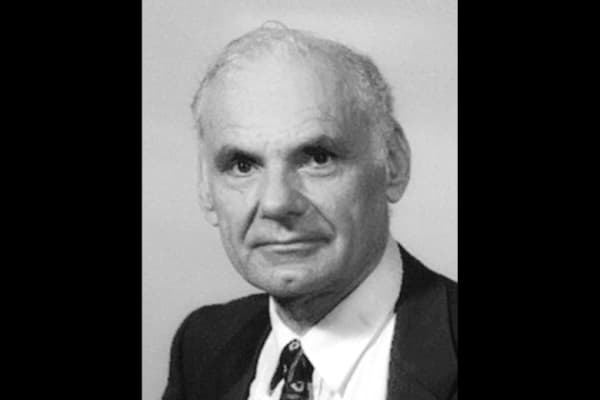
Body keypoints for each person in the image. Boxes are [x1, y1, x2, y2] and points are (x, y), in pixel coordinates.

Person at [162, 22, 457, 400]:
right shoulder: (202, 347)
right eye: (242, 165)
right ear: (206, 187)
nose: (276, 203)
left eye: (318, 158)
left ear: (393, 164)